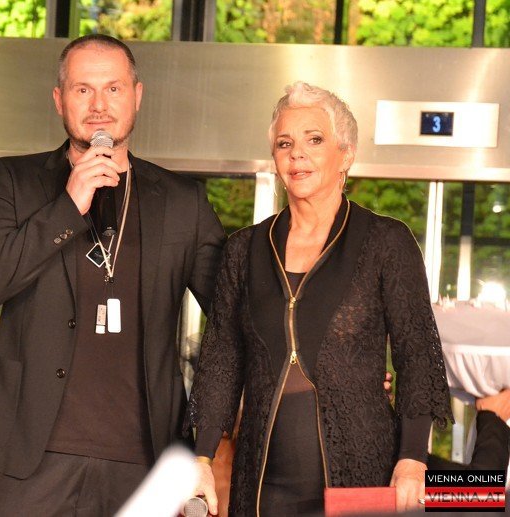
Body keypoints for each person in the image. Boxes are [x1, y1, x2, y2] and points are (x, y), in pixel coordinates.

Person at [0, 34, 225, 516]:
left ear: (137, 96)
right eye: (83, 90)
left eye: (113, 89)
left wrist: (204, 444)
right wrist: (67, 205)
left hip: (146, 464)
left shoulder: (183, 201)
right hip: (31, 457)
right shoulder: (12, 180)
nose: (99, 105)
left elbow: (234, 319)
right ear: (59, 100)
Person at [187, 81, 453, 515]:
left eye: (314, 140)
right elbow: (222, 361)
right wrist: (202, 456)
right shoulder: (244, 249)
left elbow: (418, 355)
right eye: (284, 143)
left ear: (345, 154)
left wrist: (412, 458)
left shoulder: (386, 241)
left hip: (362, 475)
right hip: (261, 485)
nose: (297, 154)